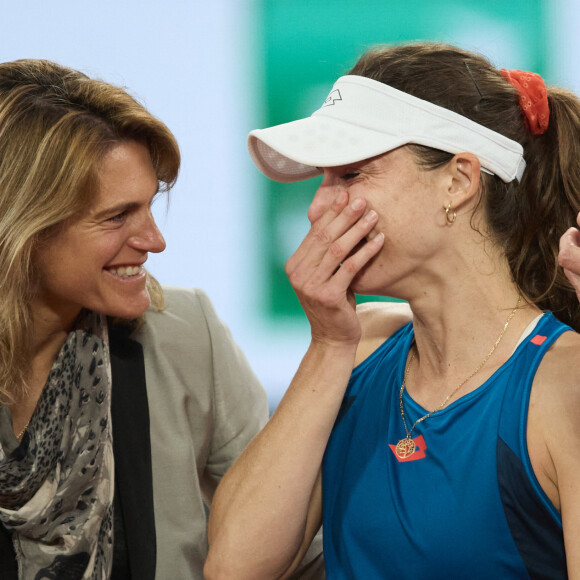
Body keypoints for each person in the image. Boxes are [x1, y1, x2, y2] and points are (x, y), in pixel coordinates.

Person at [205, 42, 580, 579]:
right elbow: (233, 568)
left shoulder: (566, 378)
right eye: (323, 179)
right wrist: (329, 344)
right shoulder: (358, 346)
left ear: (458, 181)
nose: (317, 207)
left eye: (351, 175)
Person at [0, 59, 327, 580]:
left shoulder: (185, 334)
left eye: (151, 207)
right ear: (24, 223)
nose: (154, 241)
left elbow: (297, 553)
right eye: (116, 216)